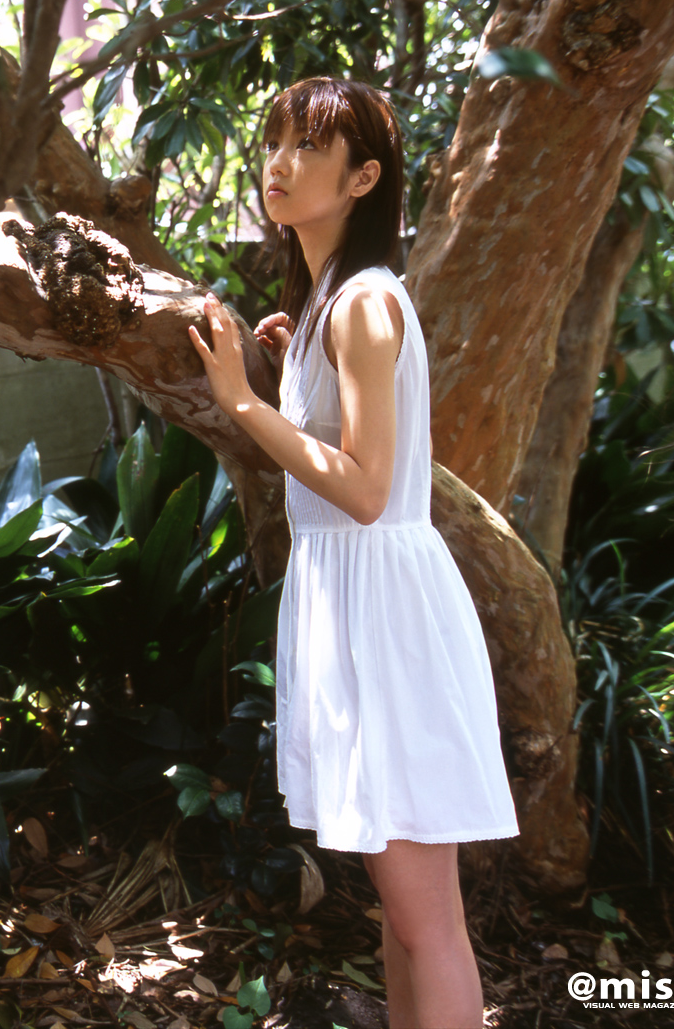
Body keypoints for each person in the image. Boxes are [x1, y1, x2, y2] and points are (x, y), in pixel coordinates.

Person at [186, 76, 520, 1028]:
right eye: (274, 141)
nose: (279, 163)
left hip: (387, 619)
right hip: (359, 609)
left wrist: (242, 403)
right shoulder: (334, 303)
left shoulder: (364, 305)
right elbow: (342, 445)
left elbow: (368, 491)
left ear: (363, 177)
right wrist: (294, 370)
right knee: (405, 914)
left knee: (425, 920)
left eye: (308, 146)